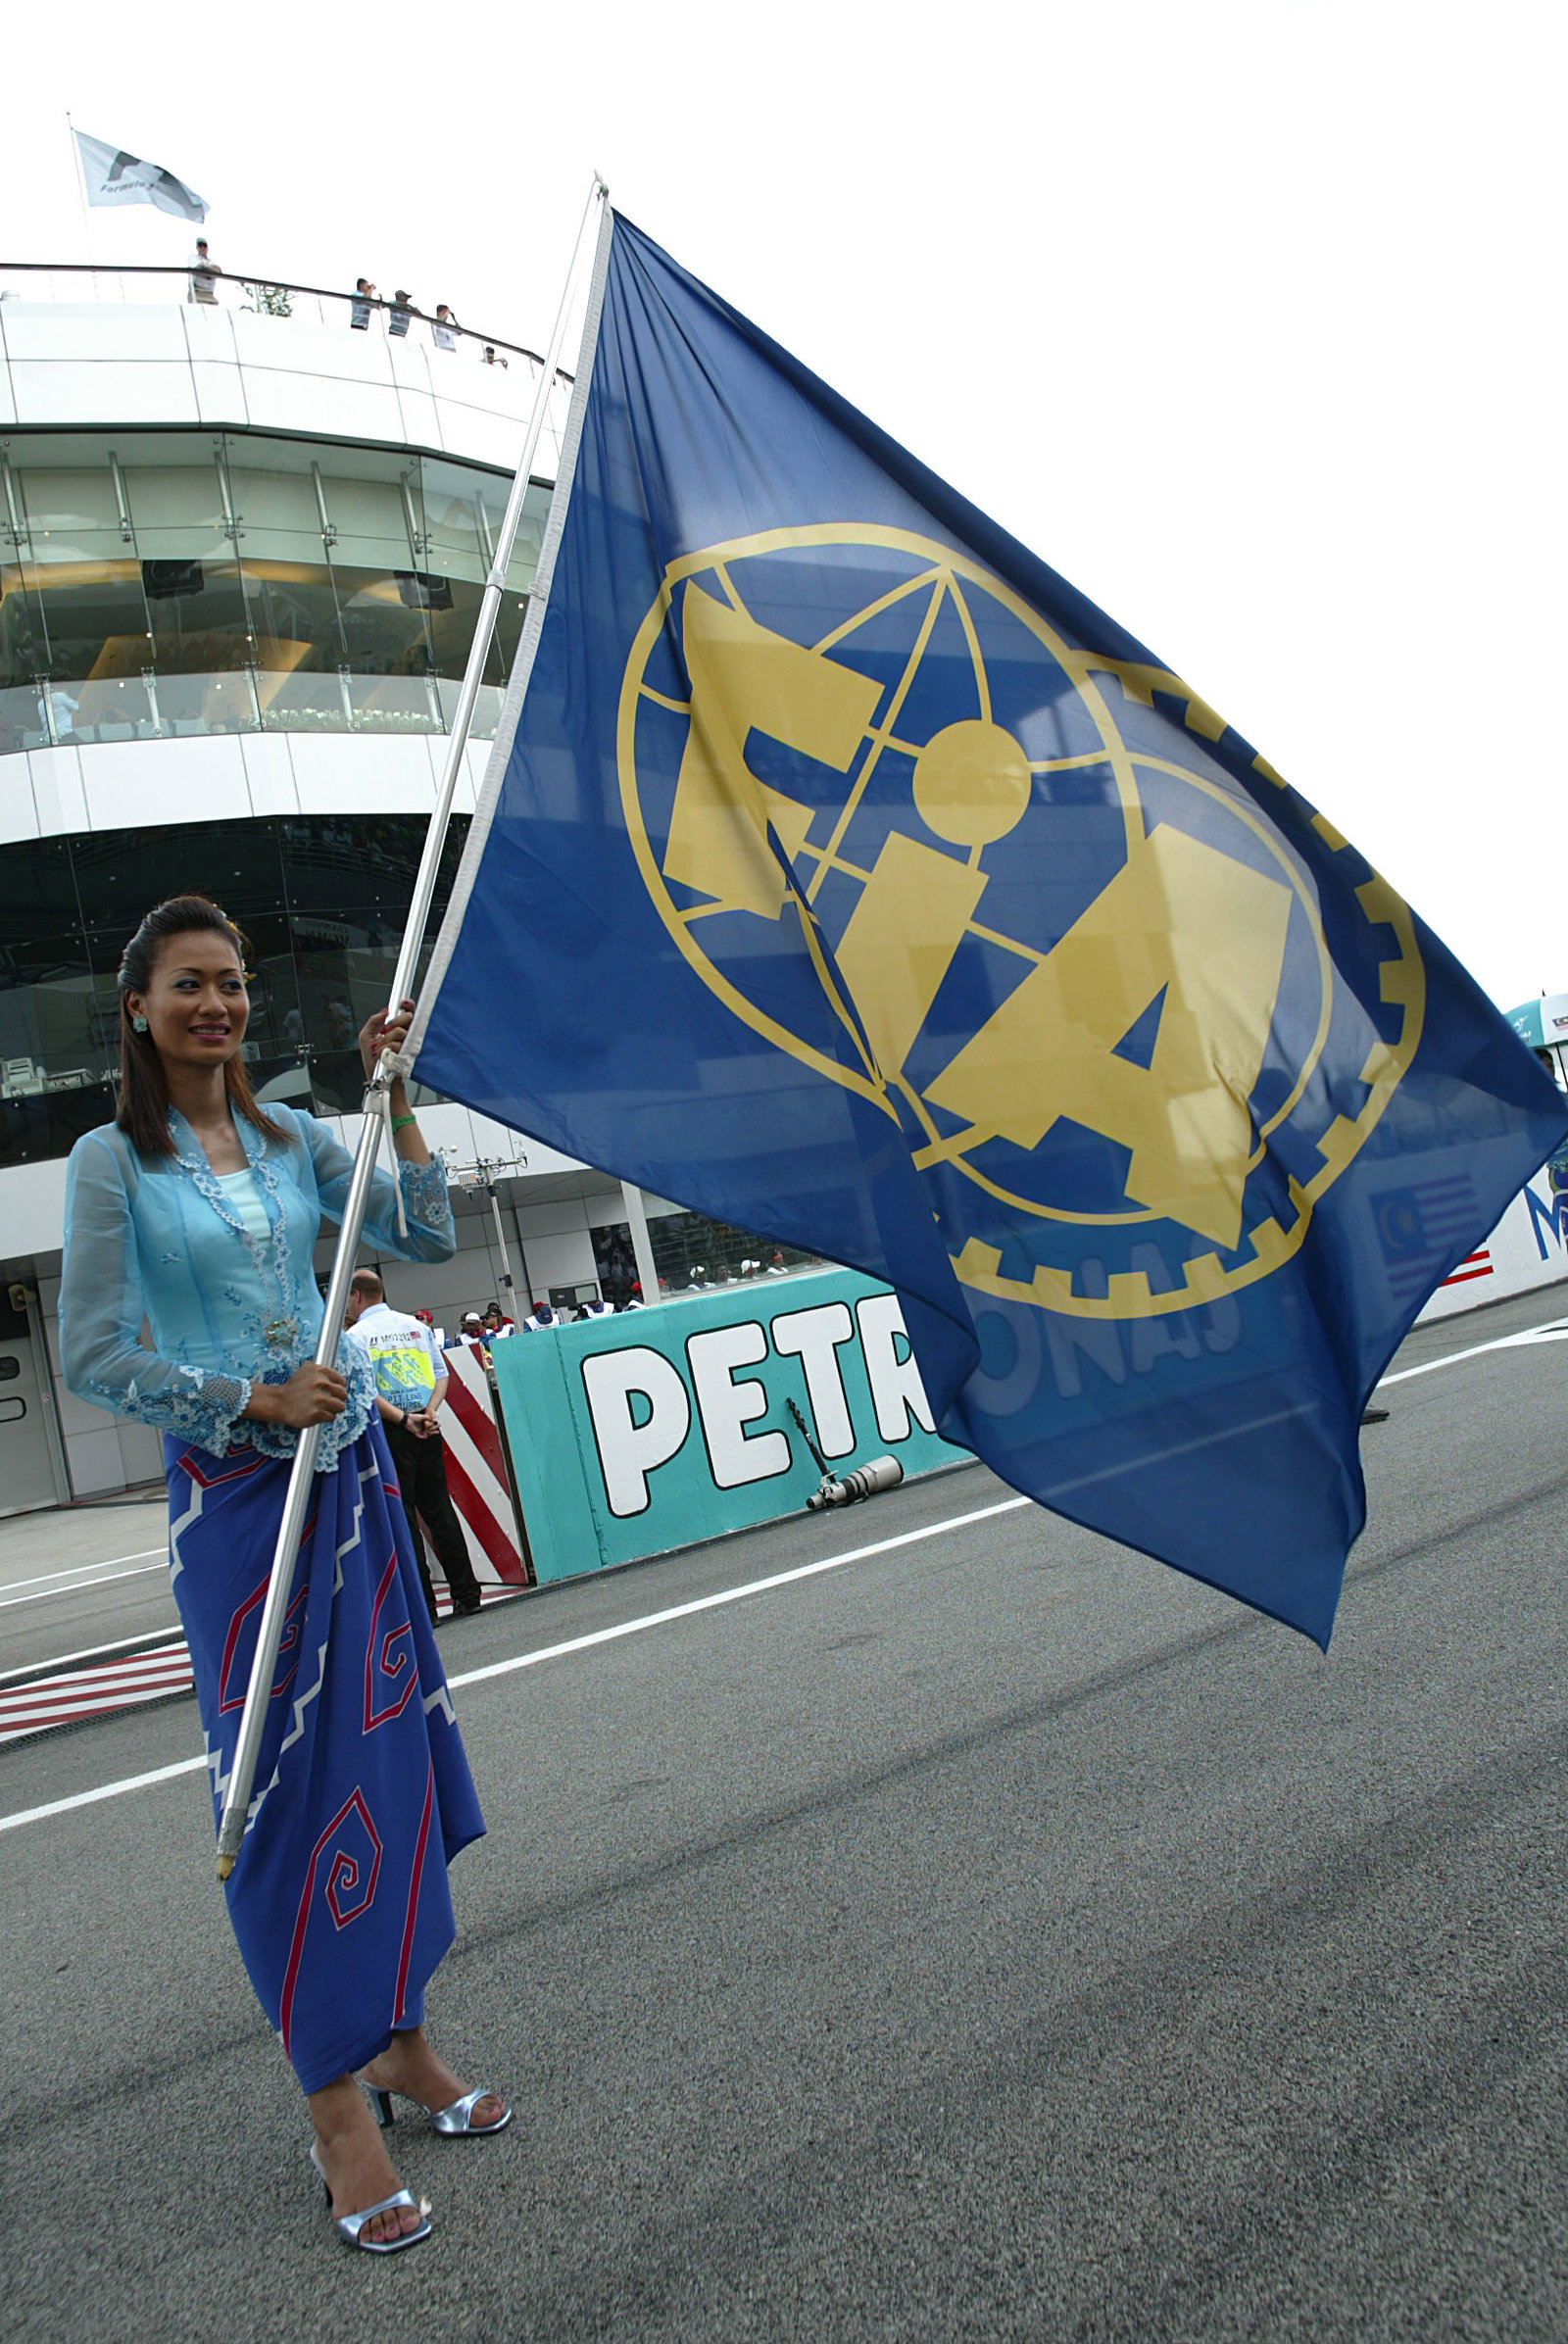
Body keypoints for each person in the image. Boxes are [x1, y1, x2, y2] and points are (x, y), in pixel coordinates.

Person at [59, 894, 508, 2256]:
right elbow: (91, 1351)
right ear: (138, 1006)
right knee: (277, 1794)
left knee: (389, 1775)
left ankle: (402, 2044)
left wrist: (401, 1100)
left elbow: (422, 1229)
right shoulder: (106, 1161)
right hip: (244, 1516)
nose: (219, 1005)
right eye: (190, 984)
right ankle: (336, 2113)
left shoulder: (292, 1138)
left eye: (235, 984)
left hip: (357, 1492)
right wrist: (252, 1397)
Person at [344, 1267, 484, 1624]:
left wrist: (404, 1420)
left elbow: (365, 1391)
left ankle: (426, 1607)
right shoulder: (415, 1326)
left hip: (393, 1429)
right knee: (439, 1509)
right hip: (428, 1421)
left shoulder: (356, 1336)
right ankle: (467, 1595)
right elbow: (441, 1375)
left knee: (404, 1517)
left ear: (357, 1296)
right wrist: (429, 1412)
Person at [187, 240, 220, 305]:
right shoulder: (193, 257)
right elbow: (198, 267)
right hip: (196, 292)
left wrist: (204, 268)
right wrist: (210, 271)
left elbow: (218, 271)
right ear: (197, 247)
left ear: (207, 248)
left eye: (204, 246)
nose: (202, 248)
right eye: (200, 245)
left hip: (209, 293)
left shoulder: (212, 260)